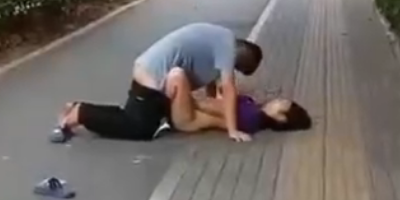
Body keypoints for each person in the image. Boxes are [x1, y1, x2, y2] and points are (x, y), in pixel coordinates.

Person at [54, 23, 263, 143]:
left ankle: (79, 108)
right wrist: (232, 130)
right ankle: (80, 114)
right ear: (240, 60)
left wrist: (211, 101)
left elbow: (212, 80)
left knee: (131, 116)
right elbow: (228, 88)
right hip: (152, 75)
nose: (233, 70)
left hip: (154, 70)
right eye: (237, 69)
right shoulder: (228, 50)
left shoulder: (222, 39)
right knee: (139, 128)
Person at [174, 89, 311, 136]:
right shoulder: (253, 110)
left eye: (280, 103)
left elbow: (214, 108)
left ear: (281, 118)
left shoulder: (252, 116)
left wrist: (186, 99)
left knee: (178, 76)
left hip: (190, 110)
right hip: (193, 110)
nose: (276, 100)